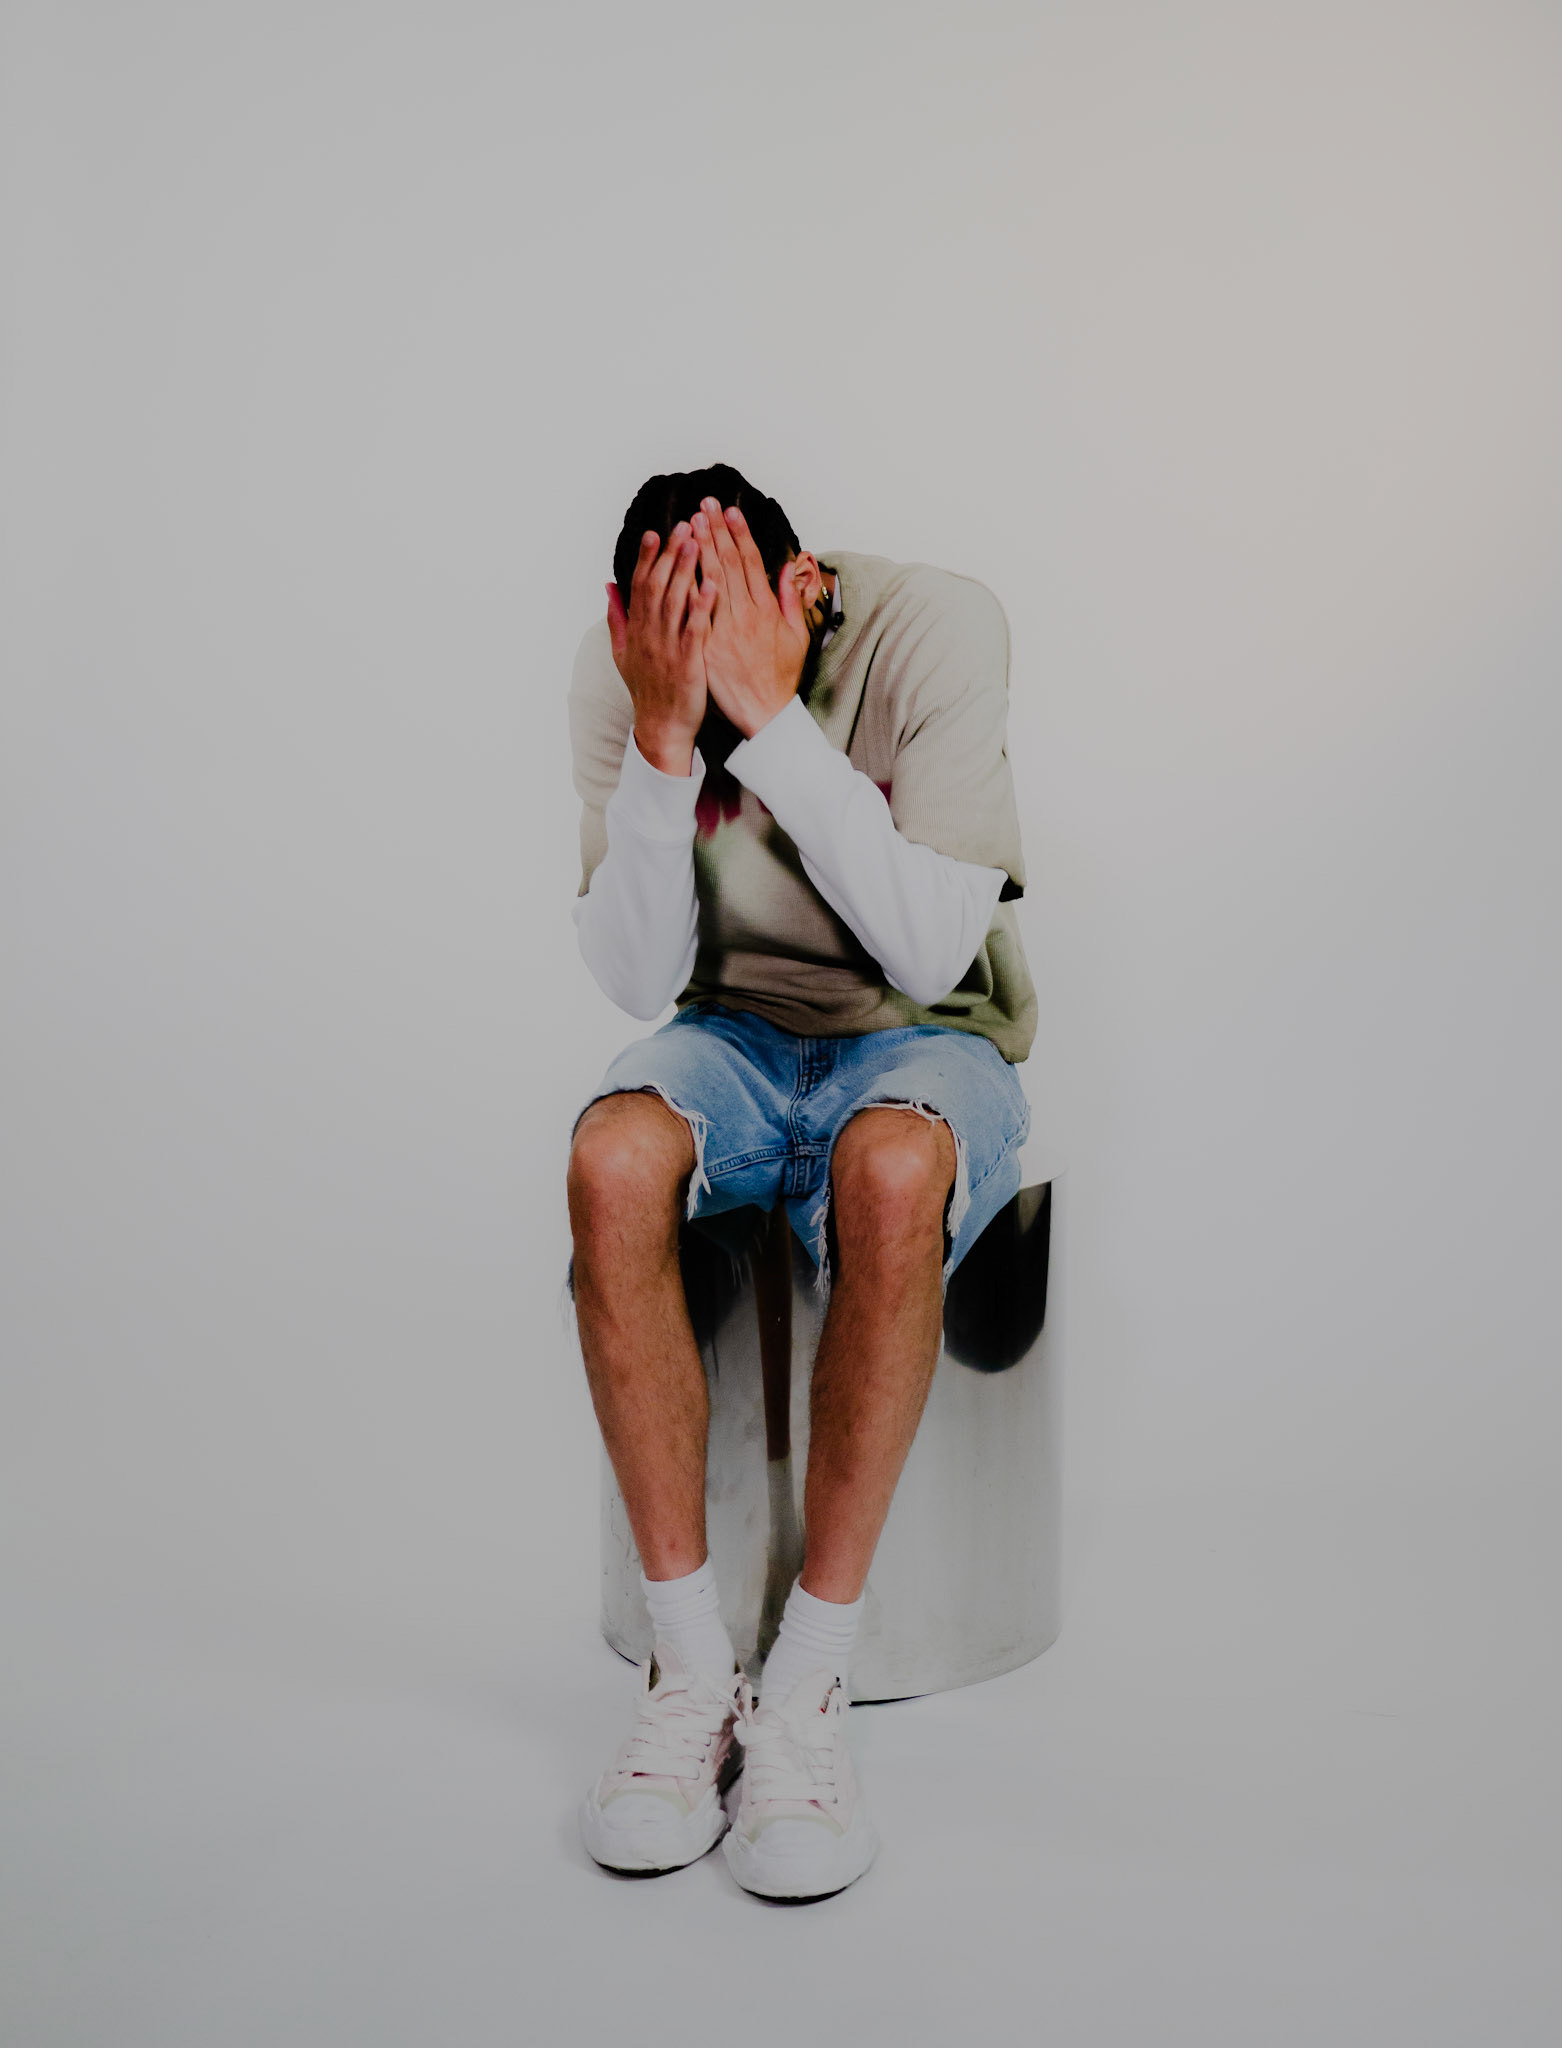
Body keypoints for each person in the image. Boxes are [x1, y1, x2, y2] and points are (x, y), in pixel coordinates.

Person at [566, 464, 1036, 1899]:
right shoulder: (627, 667)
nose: (698, 673)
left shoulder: (933, 628)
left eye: (726, 636)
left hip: (928, 1037)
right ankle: (690, 1673)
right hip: (732, 1038)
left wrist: (770, 722)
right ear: (628, 617)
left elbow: (931, 954)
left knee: (889, 1172)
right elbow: (634, 978)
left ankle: (806, 1686)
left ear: (806, 589)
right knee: (608, 1159)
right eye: (664, 637)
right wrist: (663, 741)